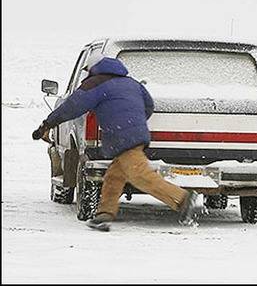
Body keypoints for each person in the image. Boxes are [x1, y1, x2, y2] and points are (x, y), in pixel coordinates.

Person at [32, 57, 198, 232]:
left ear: (93, 68)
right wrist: (133, 122)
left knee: (139, 176)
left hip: (122, 138)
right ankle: (104, 215)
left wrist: (46, 125)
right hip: (136, 135)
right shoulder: (132, 83)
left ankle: (183, 198)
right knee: (114, 177)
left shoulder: (95, 83)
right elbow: (148, 105)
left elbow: (71, 107)